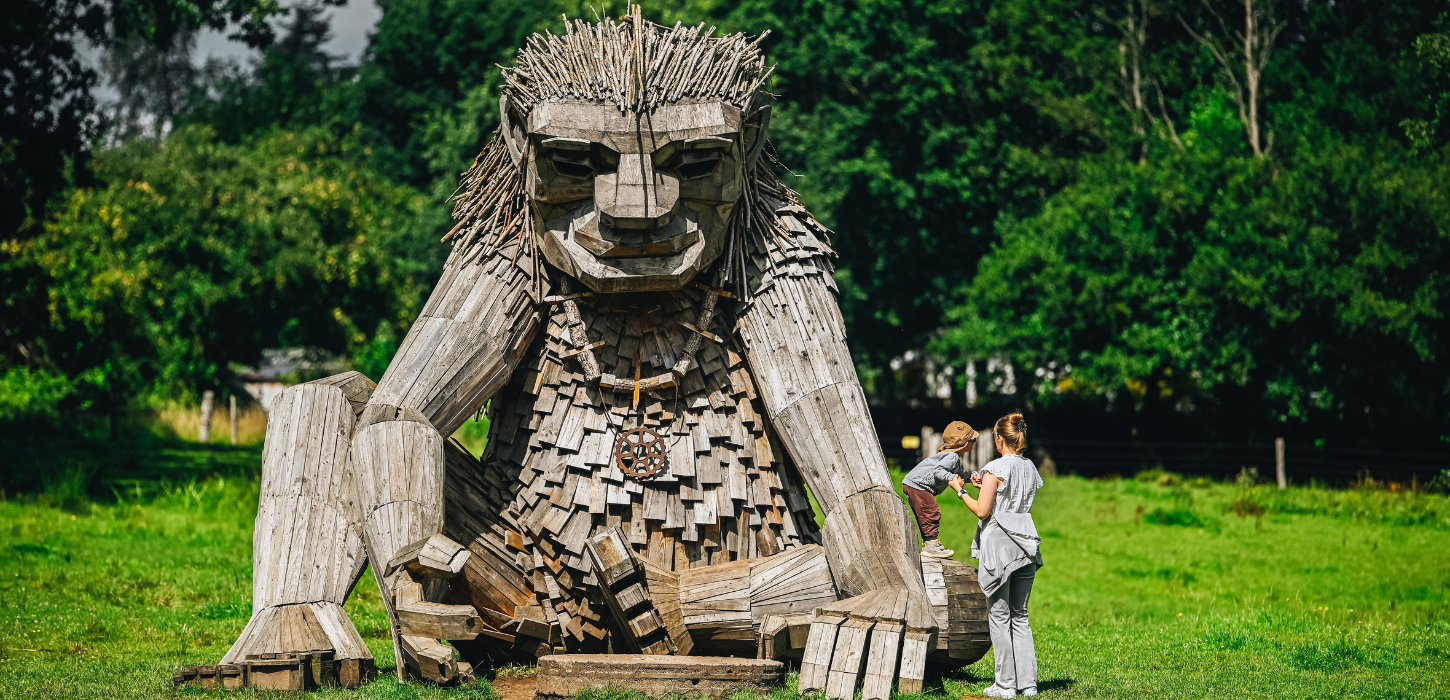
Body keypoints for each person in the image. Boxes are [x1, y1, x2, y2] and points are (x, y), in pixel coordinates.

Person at [955, 412, 1044, 698]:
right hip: (1027, 541)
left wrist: (961, 492)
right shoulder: (1030, 467)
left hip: (1000, 545)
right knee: (1021, 615)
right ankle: (1028, 683)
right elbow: (1011, 497)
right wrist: (988, 487)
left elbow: (983, 511)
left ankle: (1005, 684)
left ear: (998, 438)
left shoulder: (994, 466)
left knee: (999, 614)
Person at [901, 421, 980, 558]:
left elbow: (958, 475)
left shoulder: (953, 458)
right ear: (965, 443)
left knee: (925, 514)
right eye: (973, 439)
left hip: (914, 484)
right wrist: (952, 478)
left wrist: (970, 476)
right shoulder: (952, 456)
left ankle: (929, 544)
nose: (974, 442)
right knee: (931, 510)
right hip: (918, 485)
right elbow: (938, 471)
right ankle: (931, 546)